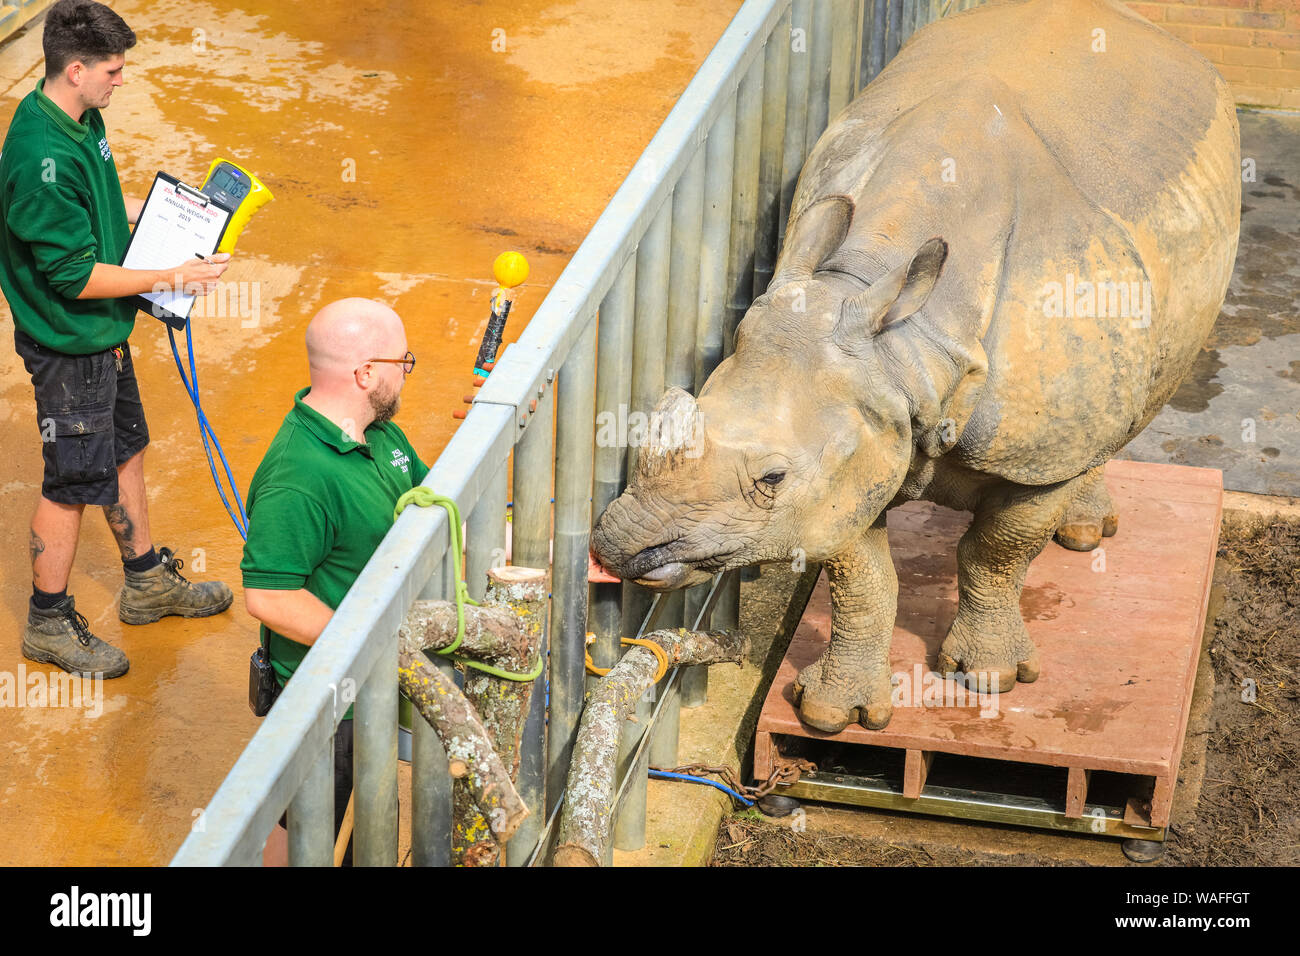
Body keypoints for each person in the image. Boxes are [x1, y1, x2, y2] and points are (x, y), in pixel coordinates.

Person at [1, 0, 235, 679]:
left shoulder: (80, 117)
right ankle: (47, 621)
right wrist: (173, 275)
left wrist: (169, 211)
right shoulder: (41, 159)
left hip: (103, 334)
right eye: (113, 69)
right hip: (70, 343)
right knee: (72, 483)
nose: (121, 80)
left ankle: (146, 581)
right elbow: (74, 276)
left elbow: (98, 202)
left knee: (126, 447)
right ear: (76, 70)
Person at [241, 297, 425, 865]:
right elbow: (268, 595)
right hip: (329, 698)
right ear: (365, 373)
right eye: (403, 362)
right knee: (309, 824)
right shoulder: (299, 476)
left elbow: (431, 505)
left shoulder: (381, 435)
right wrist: (367, 644)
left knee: (345, 820)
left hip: (373, 680)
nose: (407, 372)